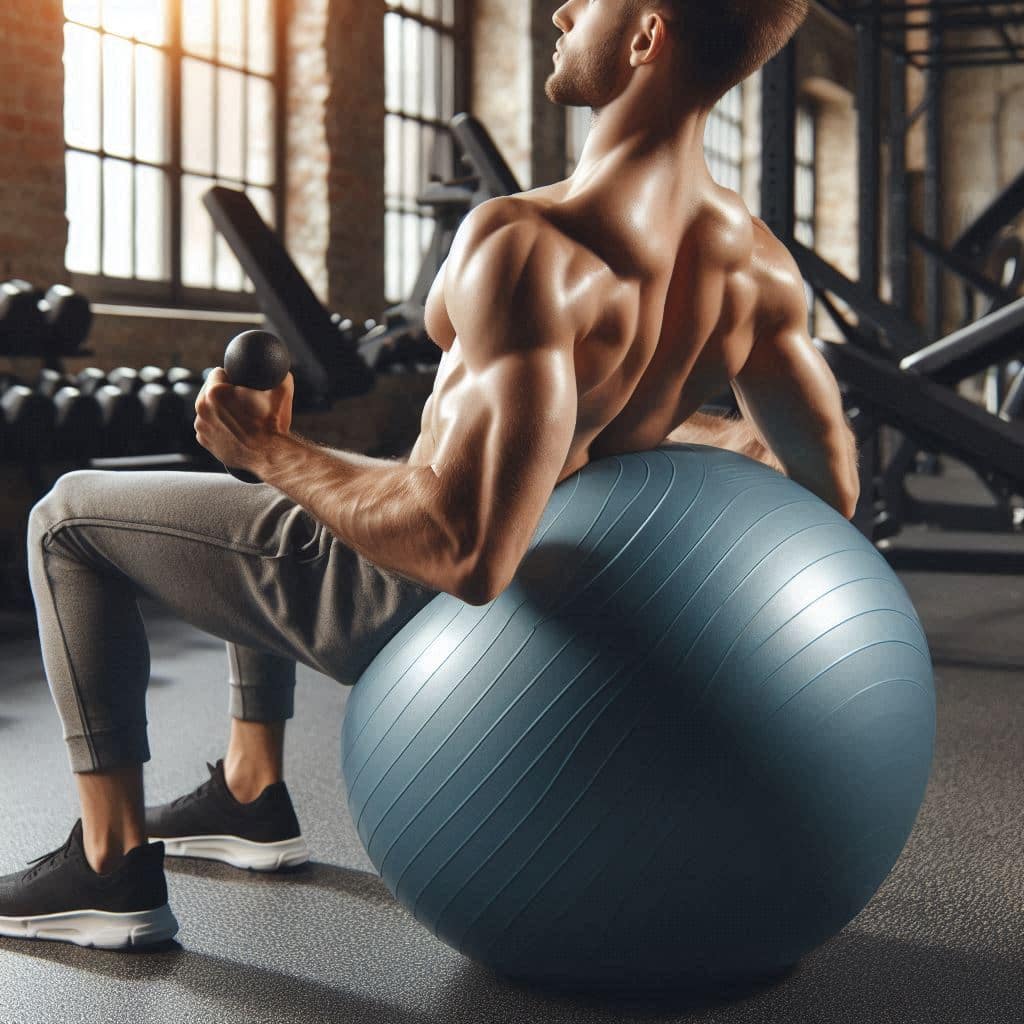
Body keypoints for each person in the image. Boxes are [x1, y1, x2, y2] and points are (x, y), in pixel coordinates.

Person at [0, 0, 858, 950]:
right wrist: (610, 444)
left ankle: (110, 865)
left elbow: (465, 548)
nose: (564, 11)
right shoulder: (759, 268)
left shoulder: (528, 242)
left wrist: (267, 451)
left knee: (64, 519)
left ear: (646, 37)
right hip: (536, 564)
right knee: (283, 487)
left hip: (404, 599)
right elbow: (822, 488)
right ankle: (249, 793)